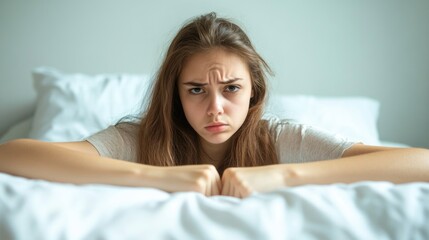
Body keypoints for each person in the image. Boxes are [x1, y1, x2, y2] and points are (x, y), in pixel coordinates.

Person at [0, 13, 428, 198]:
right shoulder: (140, 139)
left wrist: (284, 175)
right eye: (196, 90)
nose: (216, 108)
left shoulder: (281, 139)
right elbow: (11, 154)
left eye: (231, 89)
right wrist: (153, 177)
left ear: (254, 93)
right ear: (175, 95)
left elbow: (421, 163)